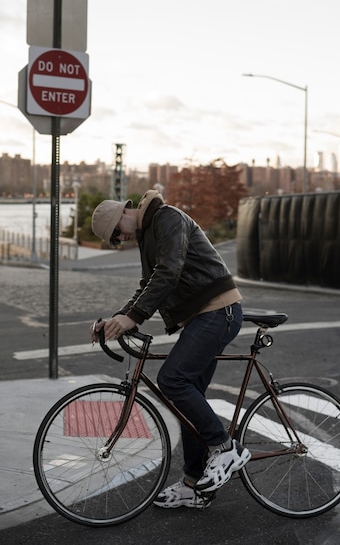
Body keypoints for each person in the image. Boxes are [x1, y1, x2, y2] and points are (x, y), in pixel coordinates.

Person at [89, 189, 250, 509]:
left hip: (219, 312)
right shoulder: (149, 233)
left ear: (124, 214)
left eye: (117, 233)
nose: (120, 239)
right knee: (187, 403)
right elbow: (148, 283)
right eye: (115, 240)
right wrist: (116, 320)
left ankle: (226, 448)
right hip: (201, 318)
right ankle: (193, 484)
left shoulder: (167, 218)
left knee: (172, 380)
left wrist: (133, 317)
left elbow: (169, 271)